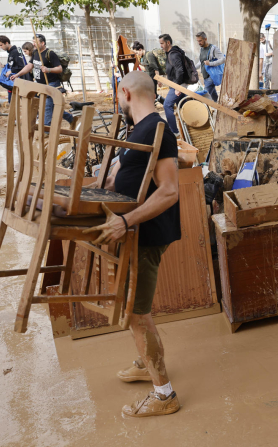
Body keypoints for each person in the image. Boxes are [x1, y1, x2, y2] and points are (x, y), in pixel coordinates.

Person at [85, 70, 181, 418]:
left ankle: (164, 395)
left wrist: (125, 221)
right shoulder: (139, 131)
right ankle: (145, 364)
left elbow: (170, 191)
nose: (117, 101)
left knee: (138, 315)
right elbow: (119, 177)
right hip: (134, 232)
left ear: (125, 91)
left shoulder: (158, 130)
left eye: (116, 94)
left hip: (145, 235)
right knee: (136, 309)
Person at [11, 34, 75, 127]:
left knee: (47, 107)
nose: (33, 44)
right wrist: (18, 74)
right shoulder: (35, 53)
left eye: (35, 42)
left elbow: (59, 69)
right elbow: (29, 66)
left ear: (42, 43)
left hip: (51, 84)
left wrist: (48, 69)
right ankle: (71, 119)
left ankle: (46, 130)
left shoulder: (50, 54)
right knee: (52, 109)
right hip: (40, 85)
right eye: (33, 42)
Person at [159, 34, 187, 137]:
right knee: (183, 106)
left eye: (162, 43)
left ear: (168, 43)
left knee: (167, 105)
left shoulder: (173, 54)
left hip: (177, 84)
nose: (161, 46)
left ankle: (174, 132)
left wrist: (177, 87)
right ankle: (188, 129)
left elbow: (180, 70)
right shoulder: (170, 53)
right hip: (175, 84)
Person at [0, 35, 28, 103]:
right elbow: (13, 65)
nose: (0, 47)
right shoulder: (10, 53)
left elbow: (22, 66)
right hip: (12, 80)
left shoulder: (15, 52)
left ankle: (34, 113)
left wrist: (11, 71)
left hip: (19, 80)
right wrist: (3, 66)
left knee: (24, 101)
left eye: (1, 45)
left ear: (6, 43)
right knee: (12, 101)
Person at [195, 31, 225, 102]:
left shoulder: (213, 48)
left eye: (200, 41)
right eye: (198, 41)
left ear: (205, 39)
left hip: (211, 75)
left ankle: (205, 111)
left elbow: (223, 59)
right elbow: (201, 61)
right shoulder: (201, 49)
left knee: (205, 94)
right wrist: (193, 68)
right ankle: (218, 106)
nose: (199, 43)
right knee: (212, 92)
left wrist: (210, 63)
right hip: (205, 76)